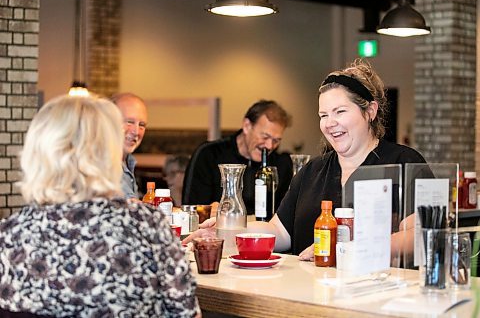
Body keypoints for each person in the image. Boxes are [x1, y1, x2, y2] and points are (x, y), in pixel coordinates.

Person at [184, 59, 426, 260]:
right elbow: (279, 231)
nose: (330, 123)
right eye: (323, 115)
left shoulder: (404, 162)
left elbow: (421, 234)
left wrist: (348, 249)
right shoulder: (313, 171)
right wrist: (227, 231)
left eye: (340, 111)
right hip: (310, 294)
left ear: (370, 111)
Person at [0, 95, 199, 317]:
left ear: (35, 152)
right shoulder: (147, 226)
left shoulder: (8, 235)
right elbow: (186, 313)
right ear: (109, 151)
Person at [182, 100, 294, 216]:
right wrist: (208, 210)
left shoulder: (281, 165)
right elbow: (191, 209)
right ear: (246, 126)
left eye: (276, 141)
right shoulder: (209, 154)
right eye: (265, 137)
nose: (269, 146)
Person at [110, 92, 148, 201]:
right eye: (129, 122)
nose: (136, 131)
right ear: (109, 122)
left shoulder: (127, 161)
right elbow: (130, 206)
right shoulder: (102, 162)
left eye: (142, 125)